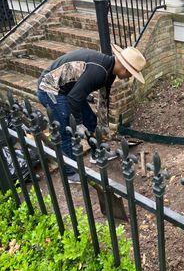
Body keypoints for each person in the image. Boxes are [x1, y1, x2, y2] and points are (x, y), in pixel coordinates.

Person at [37, 44, 146, 183]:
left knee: (91, 121)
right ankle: (70, 173)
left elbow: (103, 98)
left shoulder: (110, 70)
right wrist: (78, 123)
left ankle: (98, 154)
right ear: (125, 68)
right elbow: (74, 98)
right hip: (50, 89)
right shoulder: (99, 71)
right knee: (66, 131)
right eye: (131, 73)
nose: (130, 77)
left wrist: (103, 125)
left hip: (69, 91)